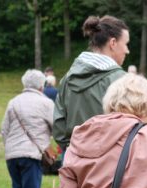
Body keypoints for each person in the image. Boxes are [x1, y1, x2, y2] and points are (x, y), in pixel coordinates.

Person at [53, 15, 128, 151]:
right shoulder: (123, 81)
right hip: (111, 164)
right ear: (113, 43)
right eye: (126, 44)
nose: (127, 50)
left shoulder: (67, 79)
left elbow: (59, 128)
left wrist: (74, 150)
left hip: (74, 161)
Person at [0, 70, 55, 188]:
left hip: (12, 154)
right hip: (31, 154)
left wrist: (10, 148)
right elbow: (56, 126)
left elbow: (4, 129)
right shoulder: (45, 102)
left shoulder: (13, 102)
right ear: (41, 86)